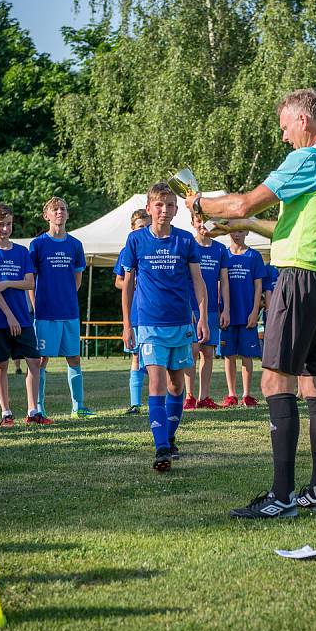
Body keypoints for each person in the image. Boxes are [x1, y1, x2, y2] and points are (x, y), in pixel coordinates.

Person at [185, 88, 316, 518]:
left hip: (299, 279)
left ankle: (280, 498)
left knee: (274, 381)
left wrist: (199, 202)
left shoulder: (310, 158)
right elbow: (282, 225)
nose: (283, 138)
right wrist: (239, 224)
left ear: (302, 120)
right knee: (315, 383)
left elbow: (245, 199)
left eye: (284, 127)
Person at [121, 182, 208, 471]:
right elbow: (128, 285)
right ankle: (161, 449)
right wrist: (127, 324)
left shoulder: (185, 241)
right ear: (149, 208)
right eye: (159, 205)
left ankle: (169, 437)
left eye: (170, 205)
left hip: (181, 323)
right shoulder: (135, 241)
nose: (164, 210)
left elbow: (198, 281)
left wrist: (203, 317)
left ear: (175, 210)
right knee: (156, 382)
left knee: (176, 383)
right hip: (148, 325)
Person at [0, 202, 50, 427]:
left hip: (23, 318)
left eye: (8, 224)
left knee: (34, 362)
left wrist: (7, 282)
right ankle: (6, 413)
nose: (5, 229)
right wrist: (9, 316)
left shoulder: (21, 252)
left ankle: (33, 411)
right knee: (1, 364)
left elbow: (29, 283)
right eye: (0, 225)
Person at [29, 196, 94, 419]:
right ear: (46, 215)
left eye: (63, 209)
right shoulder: (37, 244)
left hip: (69, 312)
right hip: (45, 313)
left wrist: (64, 298)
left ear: (67, 214)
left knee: (74, 358)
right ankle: (38, 408)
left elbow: (77, 280)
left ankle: (78, 407)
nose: (59, 212)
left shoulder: (75, 245)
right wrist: (36, 305)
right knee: (40, 360)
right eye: (55, 209)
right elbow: (30, 280)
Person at [183, 212, 230, 410]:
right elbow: (183, 281)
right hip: (191, 307)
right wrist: (187, 307)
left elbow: (225, 282)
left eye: (206, 220)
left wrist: (225, 308)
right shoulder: (187, 245)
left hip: (212, 309)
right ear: (193, 222)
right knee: (192, 351)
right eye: (198, 220)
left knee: (208, 353)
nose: (202, 224)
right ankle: (189, 396)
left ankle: (204, 397)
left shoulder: (220, 249)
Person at [219, 223, 264, 408]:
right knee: (228, 355)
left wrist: (255, 312)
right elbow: (218, 284)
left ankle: (247, 394)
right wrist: (223, 310)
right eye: (232, 231)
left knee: (247, 355)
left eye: (239, 231)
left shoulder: (254, 256)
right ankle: (232, 394)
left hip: (247, 315)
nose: (236, 235)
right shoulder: (224, 254)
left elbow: (258, 286)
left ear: (246, 231)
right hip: (228, 315)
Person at [114, 208, 151, 414]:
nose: (143, 230)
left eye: (146, 226)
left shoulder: (154, 247)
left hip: (153, 312)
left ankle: (158, 399)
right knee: (136, 357)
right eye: (140, 227)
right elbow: (119, 281)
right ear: (132, 228)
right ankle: (135, 403)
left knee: (155, 359)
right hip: (136, 313)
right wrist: (133, 282)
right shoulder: (127, 250)